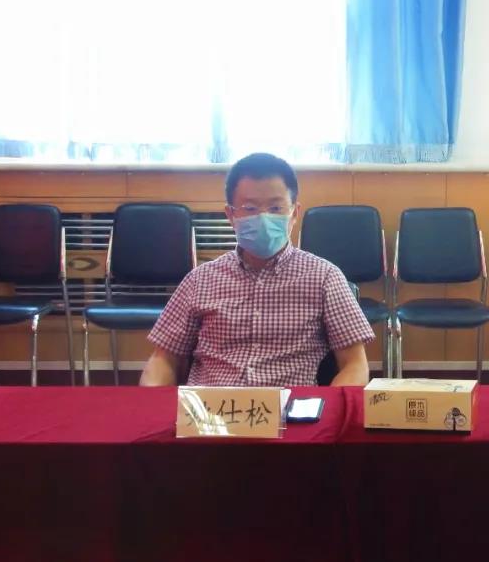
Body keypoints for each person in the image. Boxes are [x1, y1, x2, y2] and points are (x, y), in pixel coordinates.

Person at [140, 152, 374, 387]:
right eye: (250, 208)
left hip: (288, 405)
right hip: (208, 406)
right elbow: (164, 359)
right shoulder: (200, 280)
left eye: (275, 208)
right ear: (231, 215)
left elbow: (355, 364)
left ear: (294, 213)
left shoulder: (324, 278)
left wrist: (332, 406)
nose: (263, 218)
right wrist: (152, 400)